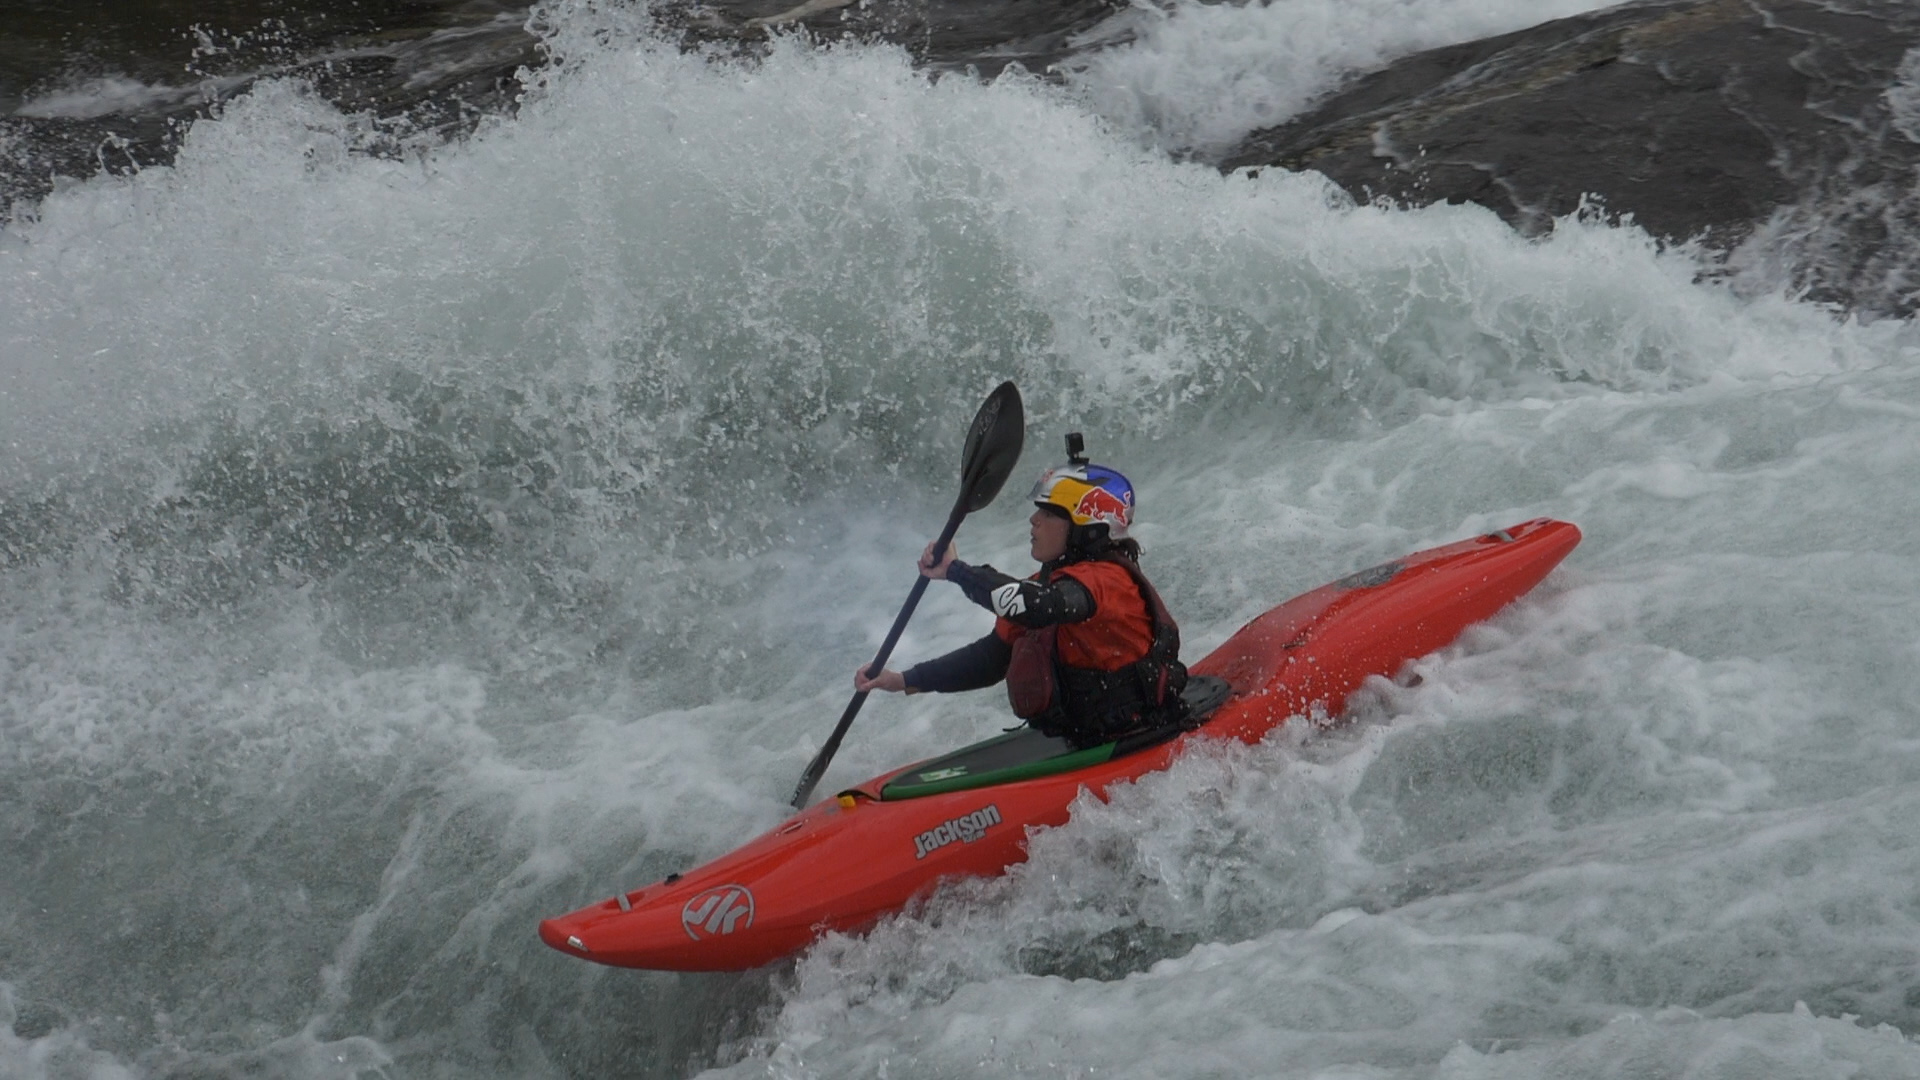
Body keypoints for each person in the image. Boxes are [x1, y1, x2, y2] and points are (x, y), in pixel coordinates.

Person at [855, 437, 1188, 747]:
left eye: (1047, 513)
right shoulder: (1049, 585)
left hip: (1142, 734)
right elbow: (991, 660)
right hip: (1087, 738)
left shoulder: (1106, 582)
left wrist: (957, 571)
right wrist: (902, 680)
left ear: (1084, 528)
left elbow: (1036, 607)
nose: (1033, 520)